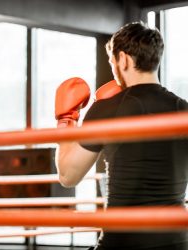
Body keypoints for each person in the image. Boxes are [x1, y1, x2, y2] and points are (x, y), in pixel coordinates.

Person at [55, 22, 188, 249]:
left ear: (124, 59)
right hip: (178, 240)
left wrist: (66, 120)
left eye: (112, 61)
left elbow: (68, 176)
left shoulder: (108, 109)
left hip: (124, 241)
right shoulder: (183, 109)